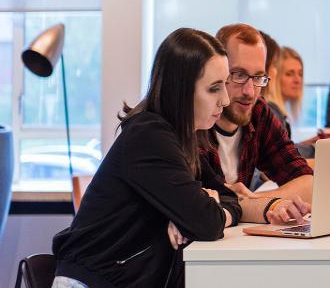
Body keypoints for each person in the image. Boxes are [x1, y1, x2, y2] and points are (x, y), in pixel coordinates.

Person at [51, 28, 242, 288]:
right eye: (213, 89)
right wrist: (197, 211)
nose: (226, 99)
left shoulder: (183, 138)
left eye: (225, 85)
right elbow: (207, 222)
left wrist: (204, 206)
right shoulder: (149, 136)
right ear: (181, 90)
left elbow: (229, 200)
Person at [202, 23, 314, 210]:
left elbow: (307, 184)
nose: (250, 92)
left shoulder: (258, 113)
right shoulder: (195, 119)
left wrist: (250, 201)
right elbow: (196, 204)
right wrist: (248, 204)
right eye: (239, 74)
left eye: (258, 77)